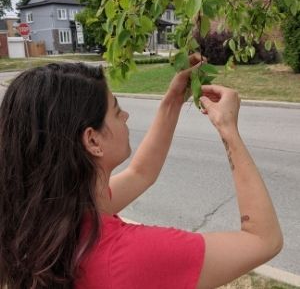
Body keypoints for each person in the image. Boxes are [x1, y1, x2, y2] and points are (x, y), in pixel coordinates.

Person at [0, 54, 283, 289]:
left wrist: (173, 99)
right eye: (116, 110)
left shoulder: (47, 223)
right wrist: (228, 130)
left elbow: (141, 173)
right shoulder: (129, 256)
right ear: (93, 140)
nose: (126, 116)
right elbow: (263, 240)